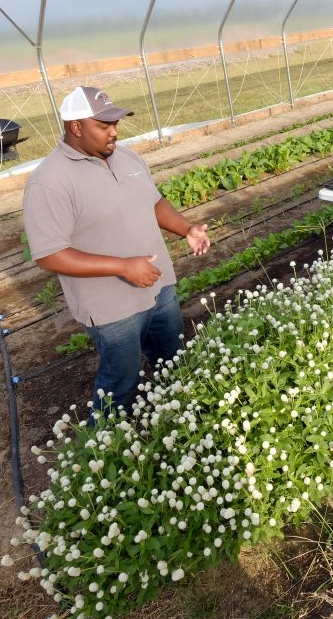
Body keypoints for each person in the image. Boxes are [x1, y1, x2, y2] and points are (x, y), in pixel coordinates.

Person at [23, 86, 210, 416]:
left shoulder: (125, 157)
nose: (114, 132)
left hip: (159, 285)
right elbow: (49, 253)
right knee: (121, 380)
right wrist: (123, 266)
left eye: (115, 124)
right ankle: (105, 452)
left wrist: (187, 229)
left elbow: (152, 201)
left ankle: (180, 420)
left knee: (174, 357)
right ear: (75, 127)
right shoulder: (50, 181)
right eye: (104, 125)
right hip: (111, 307)